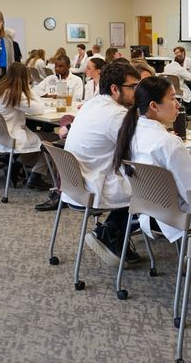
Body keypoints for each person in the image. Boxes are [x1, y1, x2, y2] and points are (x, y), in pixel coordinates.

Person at [113, 76, 191, 243]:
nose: (178, 105)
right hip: (179, 219)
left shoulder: (129, 134)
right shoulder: (169, 143)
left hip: (148, 214)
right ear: (154, 106)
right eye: (173, 99)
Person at [72, 63, 142, 266]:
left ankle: (112, 230)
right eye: (132, 87)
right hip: (96, 185)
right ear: (114, 88)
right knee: (151, 185)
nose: (136, 92)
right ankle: (110, 231)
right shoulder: (116, 115)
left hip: (76, 184)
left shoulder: (92, 104)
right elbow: (141, 149)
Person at [0, 62, 53, 190]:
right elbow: (39, 109)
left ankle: (15, 167)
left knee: (38, 139)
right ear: (24, 77)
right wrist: (28, 89)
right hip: (11, 137)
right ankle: (35, 176)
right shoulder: (15, 94)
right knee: (52, 141)